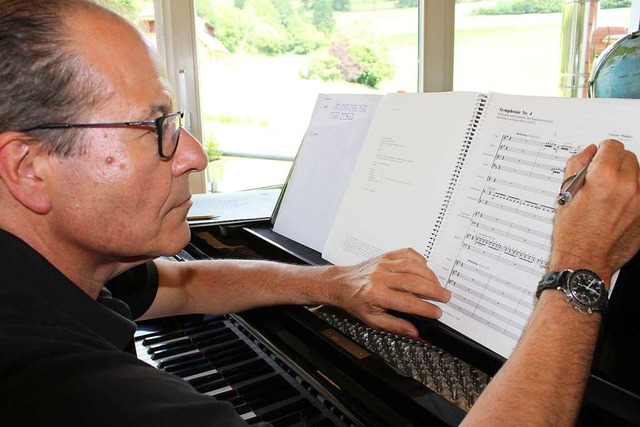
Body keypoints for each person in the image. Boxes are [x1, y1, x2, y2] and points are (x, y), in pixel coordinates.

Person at [0, 1, 638, 426]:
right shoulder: (57, 388)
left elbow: (177, 286)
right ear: (29, 169)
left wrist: (331, 282)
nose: (193, 155)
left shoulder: (48, 275)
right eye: (157, 126)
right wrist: (580, 272)